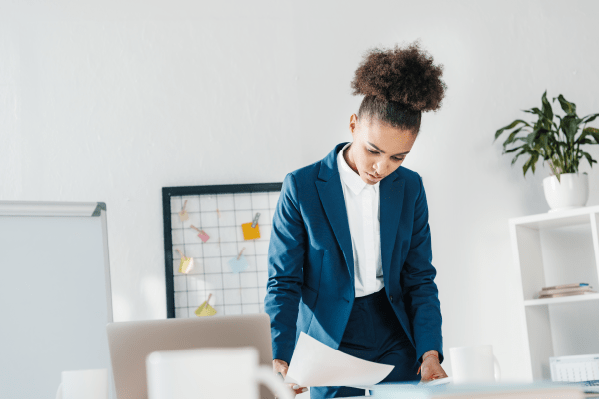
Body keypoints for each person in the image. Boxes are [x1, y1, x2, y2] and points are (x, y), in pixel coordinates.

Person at [264, 40, 448, 399]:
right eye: (373, 150)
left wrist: (430, 352)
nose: (382, 167)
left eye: (398, 157)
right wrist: (279, 355)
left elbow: (420, 278)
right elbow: (284, 282)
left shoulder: (410, 188)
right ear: (353, 125)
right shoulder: (301, 187)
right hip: (329, 341)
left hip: (393, 330)